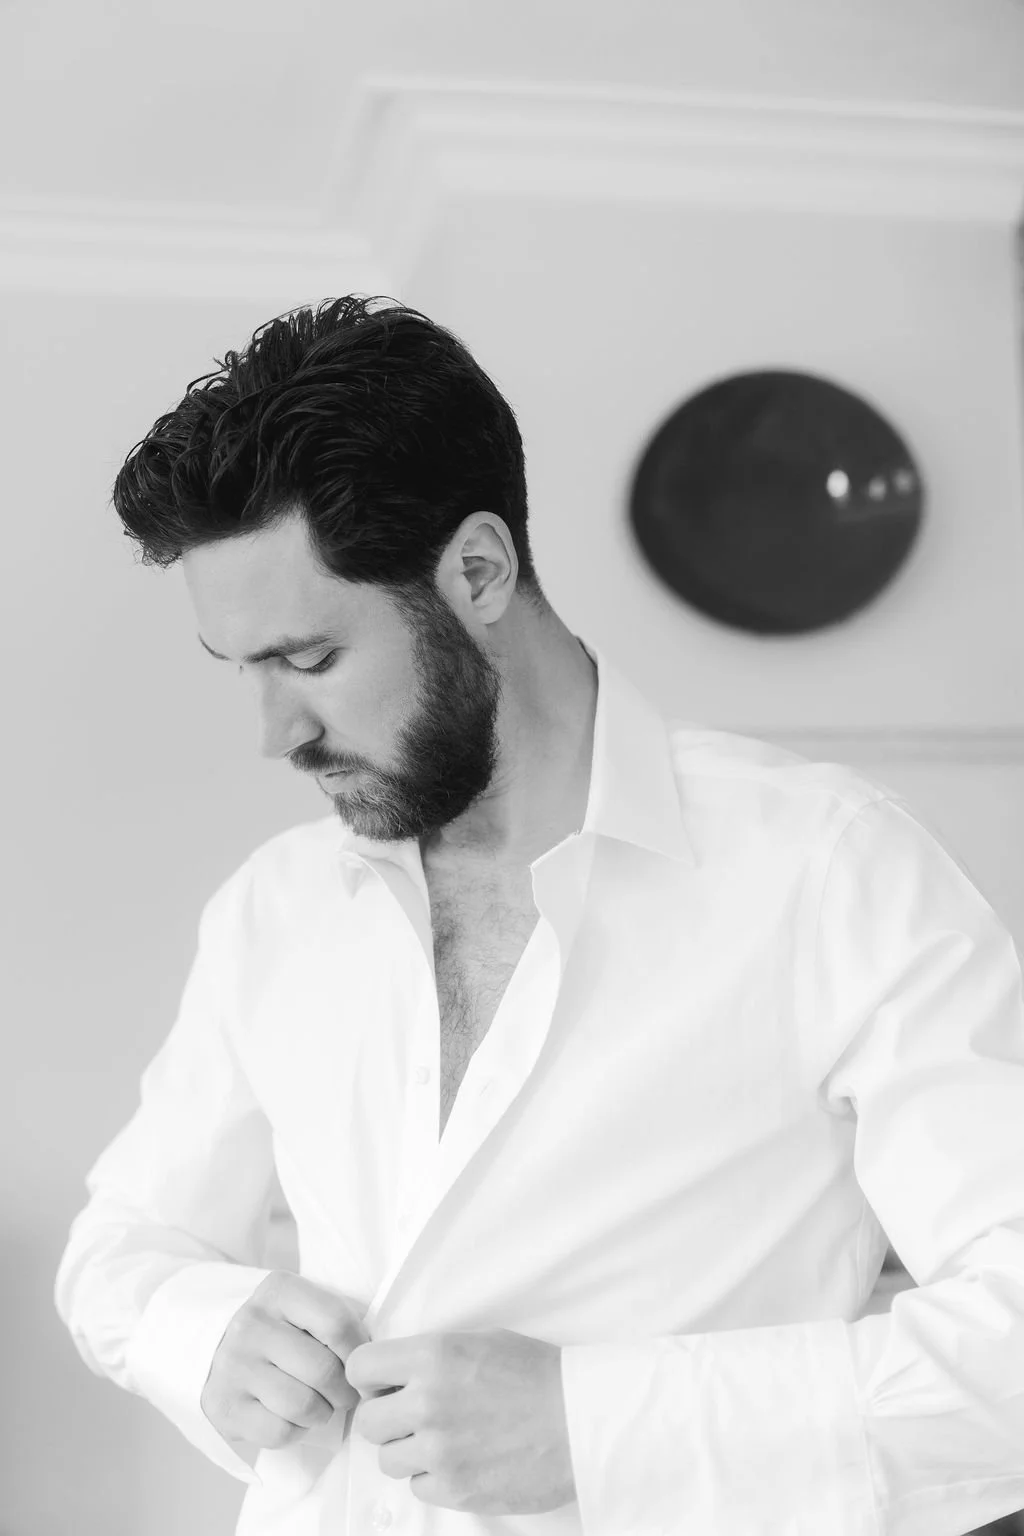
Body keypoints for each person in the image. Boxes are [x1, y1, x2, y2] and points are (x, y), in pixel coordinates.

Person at [55, 296, 1024, 1536]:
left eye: (305, 661)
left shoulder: (828, 869)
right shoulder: (275, 911)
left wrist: (594, 1426)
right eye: (241, 669)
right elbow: (120, 1246)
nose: (273, 736)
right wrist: (202, 1336)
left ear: (476, 570)